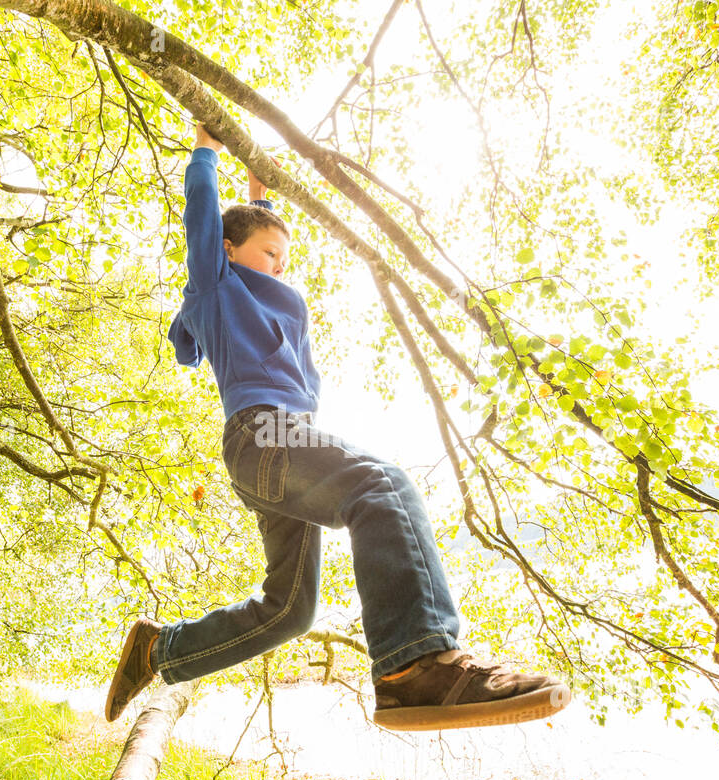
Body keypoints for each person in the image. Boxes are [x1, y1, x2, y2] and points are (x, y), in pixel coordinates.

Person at [105, 121, 570, 731]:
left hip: (283, 451)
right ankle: (416, 664)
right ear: (226, 250)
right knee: (382, 486)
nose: (278, 265)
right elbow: (206, 225)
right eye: (269, 253)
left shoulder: (256, 284)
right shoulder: (216, 286)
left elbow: (250, 235)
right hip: (262, 434)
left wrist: (260, 198)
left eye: (284, 256)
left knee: (289, 611)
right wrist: (204, 155)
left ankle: (159, 649)